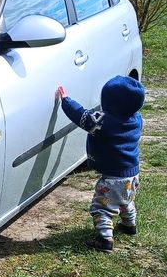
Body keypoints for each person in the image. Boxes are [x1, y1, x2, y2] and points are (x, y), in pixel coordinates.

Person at [56, 75, 145, 252]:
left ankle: (105, 239)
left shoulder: (104, 122)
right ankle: (129, 225)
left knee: (102, 208)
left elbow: (81, 116)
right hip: (132, 174)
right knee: (126, 200)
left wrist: (66, 100)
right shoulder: (137, 120)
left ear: (110, 104)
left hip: (112, 178)